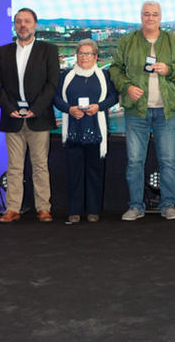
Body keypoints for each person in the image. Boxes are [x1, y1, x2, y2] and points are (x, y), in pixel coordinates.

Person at [108, 1, 175, 221]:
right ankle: (135, 206)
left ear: (160, 17)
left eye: (154, 14)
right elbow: (115, 69)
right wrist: (127, 87)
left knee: (168, 161)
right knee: (135, 161)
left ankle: (168, 205)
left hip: (166, 111)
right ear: (141, 16)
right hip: (136, 111)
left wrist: (169, 69)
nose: (150, 18)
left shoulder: (174, 41)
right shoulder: (127, 41)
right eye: (146, 14)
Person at [0, 8, 60, 223]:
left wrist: (36, 108)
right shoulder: (3, 52)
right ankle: (13, 208)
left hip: (38, 117)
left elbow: (52, 83)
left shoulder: (48, 50)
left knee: (40, 165)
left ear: (35, 25)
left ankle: (43, 208)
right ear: (15, 25)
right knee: (14, 167)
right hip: (12, 117)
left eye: (27, 21)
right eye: (19, 21)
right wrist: (8, 107)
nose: (23, 25)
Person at [53, 39, 118, 224]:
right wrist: (69, 109)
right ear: (77, 55)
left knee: (95, 173)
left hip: (95, 132)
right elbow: (56, 98)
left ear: (95, 57)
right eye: (81, 53)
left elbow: (114, 97)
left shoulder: (104, 76)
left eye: (88, 54)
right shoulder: (66, 76)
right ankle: (74, 211)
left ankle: (93, 211)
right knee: (73, 173)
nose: (84, 57)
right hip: (73, 131)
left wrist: (99, 106)